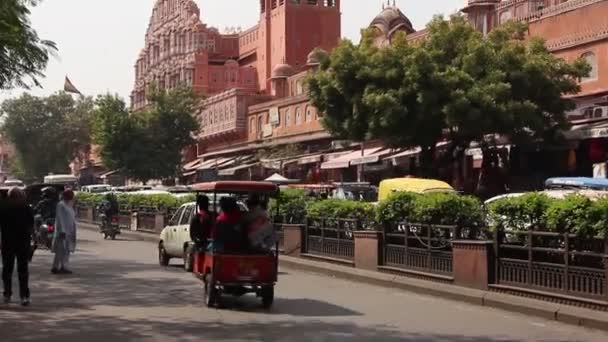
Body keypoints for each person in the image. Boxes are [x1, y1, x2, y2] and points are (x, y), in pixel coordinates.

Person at [0, 187, 34, 306]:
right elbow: (31, 227)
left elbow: (31, 227)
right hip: (15, 243)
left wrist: (31, 242)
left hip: (16, 243)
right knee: (13, 270)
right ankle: (16, 295)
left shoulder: (23, 209)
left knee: (12, 270)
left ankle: (14, 295)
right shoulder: (6, 210)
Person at [52, 189, 77, 274]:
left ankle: (64, 266)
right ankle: (55, 267)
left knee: (67, 250)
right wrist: (62, 230)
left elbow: (72, 219)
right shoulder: (61, 205)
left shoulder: (70, 205)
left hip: (70, 231)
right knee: (60, 250)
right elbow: (60, 218)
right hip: (62, 231)